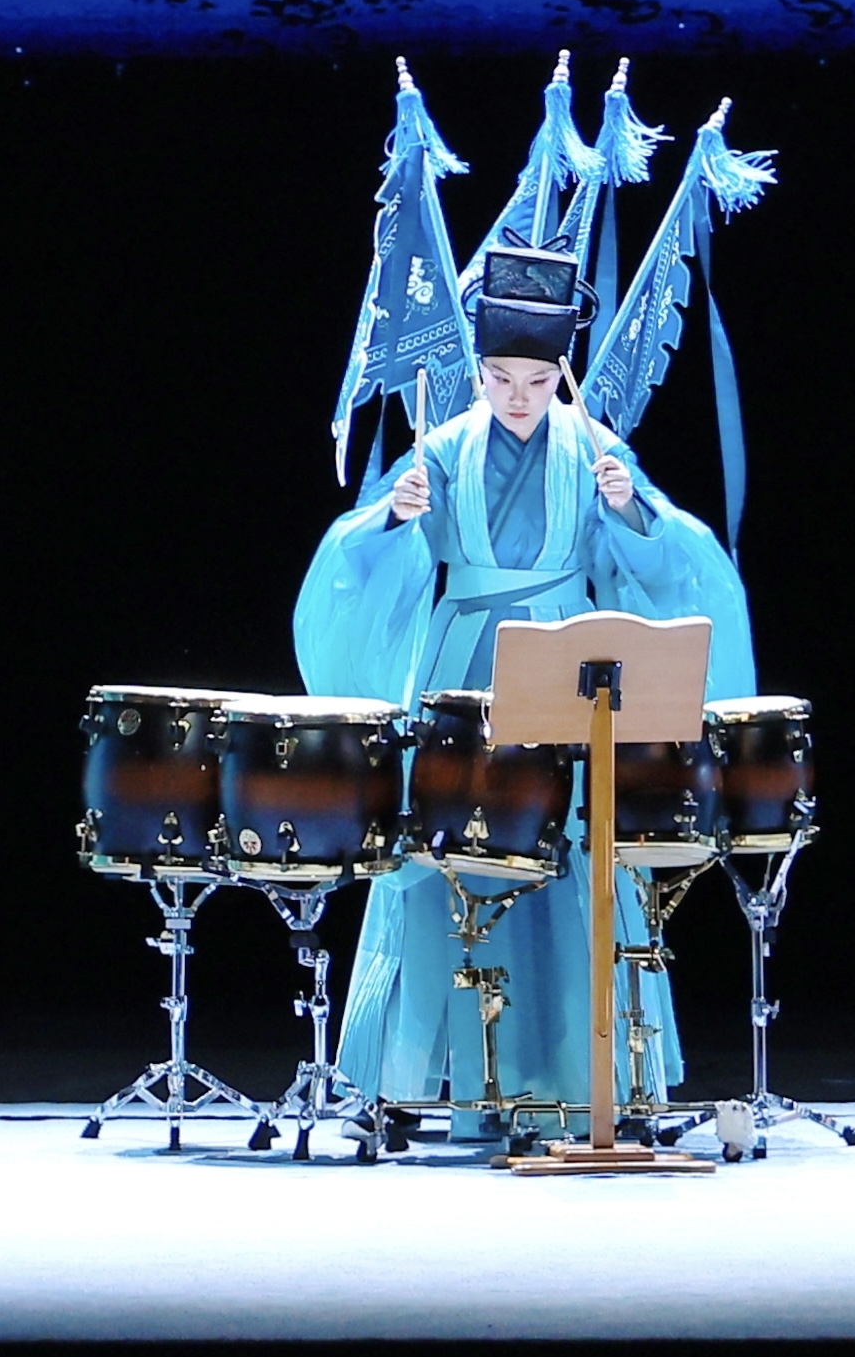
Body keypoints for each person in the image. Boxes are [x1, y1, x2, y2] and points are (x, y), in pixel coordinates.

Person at [293, 239, 755, 1137]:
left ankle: (587, 1080)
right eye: (501, 377)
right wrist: (391, 517)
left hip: (565, 665)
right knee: (444, 851)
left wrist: (630, 509)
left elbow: (670, 553)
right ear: (479, 372)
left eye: (536, 381)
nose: (517, 395)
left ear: (558, 375)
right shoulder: (442, 447)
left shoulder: (594, 447)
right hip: (464, 665)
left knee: (573, 849)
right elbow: (356, 553)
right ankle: (411, 1084)